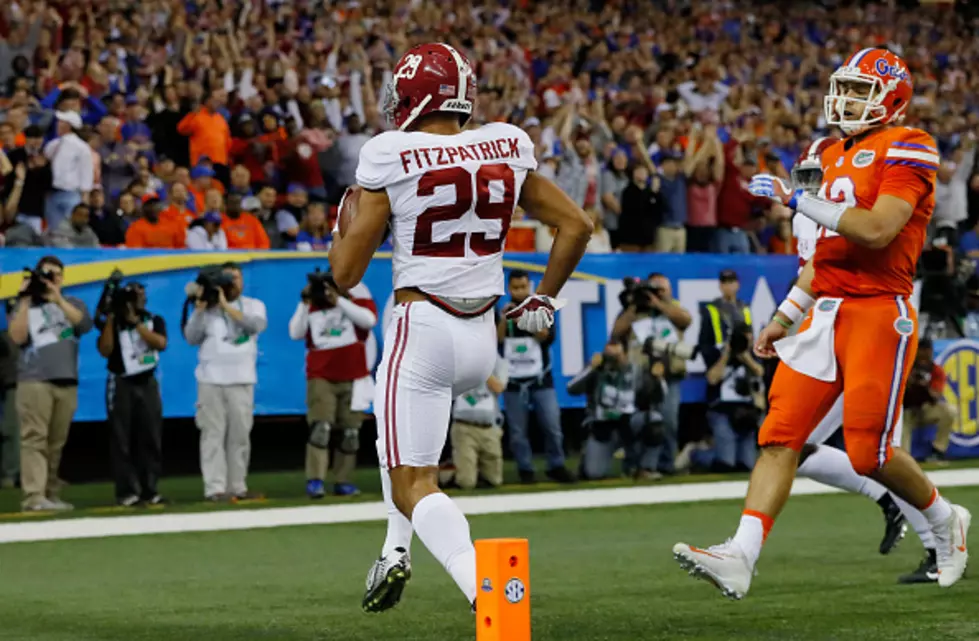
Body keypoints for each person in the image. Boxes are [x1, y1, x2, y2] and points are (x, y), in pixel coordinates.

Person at [675, 48, 970, 599]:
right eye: (846, 88)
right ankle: (740, 554)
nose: (847, 99)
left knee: (869, 453)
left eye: (861, 90)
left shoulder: (909, 144)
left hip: (879, 308)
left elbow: (878, 230)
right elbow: (824, 252)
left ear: (892, 97)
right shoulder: (826, 152)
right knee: (779, 437)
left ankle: (943, 518)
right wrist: (785, 315)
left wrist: (798, 199)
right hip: (825, 310)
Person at [328, 43, 592, 614]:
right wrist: (544, 295)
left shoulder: (390, 152)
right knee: (394, 438)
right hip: (481, 335)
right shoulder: (506, 142)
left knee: (414, 480)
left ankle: (488, 588)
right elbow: (576, 224)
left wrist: (341, 225)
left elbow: (345, 274)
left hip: (421, 324)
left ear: (416, 97)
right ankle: (395, 549)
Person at [787, 137, 929, 575]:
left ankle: (938, 543)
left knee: (883, 451)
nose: (812, 184)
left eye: (819, 174)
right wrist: (787, 320)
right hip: (825, 333)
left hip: (871, 325)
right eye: (805, 176)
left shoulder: (857, 206)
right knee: (789, 444)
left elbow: (875, 241)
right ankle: (887, 499)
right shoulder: (806, 217)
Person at [7, 256, 93, 511]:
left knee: (56, 441)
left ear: (63, 277)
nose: (51, 279)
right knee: (34, 438)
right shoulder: (26, 305)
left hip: (66, 379)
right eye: (46, 274)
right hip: (34, 380)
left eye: (56, 274)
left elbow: (83, 324)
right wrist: (24, 299)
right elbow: (17, 336)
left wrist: (57, 298)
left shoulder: (73, 302)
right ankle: (33, 496)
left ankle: (50, 492)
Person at [183, 263, 267, 502]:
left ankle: (237, 487)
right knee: (212, 435)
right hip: (210, 381)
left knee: (240, 436)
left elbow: (255, 326)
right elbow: (191, 338)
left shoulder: (253, 305)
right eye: (228, 278)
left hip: (242, 380)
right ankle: (215, 489)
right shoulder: (206, 310)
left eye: (237, 277)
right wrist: (199, 310)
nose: (233, 282)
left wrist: (225, 306)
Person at [288, 274, 377, 498]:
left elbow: (368, 321)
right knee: (320, 428)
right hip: (321, 376)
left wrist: (339, 301)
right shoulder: (312, 308)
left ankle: (343, 480)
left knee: (350, 432)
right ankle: (315, 480)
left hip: (354, 375)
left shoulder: (358, 303)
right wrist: (304, 302)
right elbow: (295, 332)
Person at [611, 273, 692, 477]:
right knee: (637, 421)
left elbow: (685, 320)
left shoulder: (673, 308)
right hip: (639, 374)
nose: (656, 294)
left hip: (669, 374)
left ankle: (666, 463)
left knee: (669, 421)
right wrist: (634, 305)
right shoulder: (634, 311)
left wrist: (659, 303)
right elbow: (616, 332)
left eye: (662, 289)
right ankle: (635, 463)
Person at [500, 270, 576, 485]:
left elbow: (547, 337)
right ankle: (525, 469)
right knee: (517, 431)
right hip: (514, 381)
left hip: (541, 379)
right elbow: (496, 341)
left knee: (552, 425)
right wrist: (506, 319)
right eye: (515, 288)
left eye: (523, 287)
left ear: (530, 286)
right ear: (509, 289)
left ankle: (557, 465)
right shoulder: (503, 311)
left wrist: (527, 318)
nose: (520, 292)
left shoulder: (540, 310)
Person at [96, 282, 168, 506]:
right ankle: (127, 491)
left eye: (141, 294)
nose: (139, 299)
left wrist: (136, 324)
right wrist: (110, 318)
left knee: (150, 436)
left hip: (147, 381)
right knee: (121, 438)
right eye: (134, 296)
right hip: (121, 382)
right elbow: (105, 349)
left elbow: (160, 343)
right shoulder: (114, 322)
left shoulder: (153, 319)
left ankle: (150, 489)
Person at [449, 355, 508, 490]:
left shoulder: (498, 362)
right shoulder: (456, 359)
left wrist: (482, 370)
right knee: (466, 483)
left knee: (495, 481)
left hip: (489, 428)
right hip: (463, 427)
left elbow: (498, 387)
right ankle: (448, 475)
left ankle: (478, 471)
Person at [902, 339, 955, 463]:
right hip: (906, 410)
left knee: (950, 411)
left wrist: (923, 386)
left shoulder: (935, 370)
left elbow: (936, 396)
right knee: (903, 423)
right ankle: (905, 458)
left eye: (928, 350)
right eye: (922, 350)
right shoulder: (907, 366)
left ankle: (938, 450)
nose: (926, 353)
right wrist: (909, 383)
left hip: (926, 409)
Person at [44, 111, 94, 231]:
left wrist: (84, 199)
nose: (58, 124)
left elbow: (86, 173)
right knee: (54, 230)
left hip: (71, 194)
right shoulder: (54, 144)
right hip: (52, 193)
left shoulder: (82, 147)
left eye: (61, 122)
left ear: (69, 125)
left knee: (71, 230)